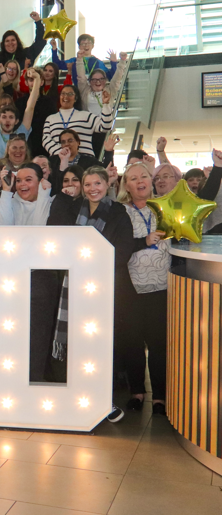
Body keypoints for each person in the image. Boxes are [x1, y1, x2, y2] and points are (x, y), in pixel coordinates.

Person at [47, 165, 134, 422]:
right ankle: (74, 396)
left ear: (108, 185)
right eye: (87, 185)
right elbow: (55, 228)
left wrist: (95, 267)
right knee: (72, 343)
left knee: (96, 345)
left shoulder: (119, 212)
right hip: (71, 286)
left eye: (97, 184)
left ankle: (100, 401)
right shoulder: (74, 207)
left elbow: (124, 250)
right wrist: (64, 196)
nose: (92, 189)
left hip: (101, 286)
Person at [117, 162, 169, 416]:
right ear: (126, 185)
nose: (140, 181)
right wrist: (144, 241)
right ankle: (137, 392)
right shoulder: (120, 212)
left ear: (151, 180)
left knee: (160, 344)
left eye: (144, 176)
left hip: (162, 288)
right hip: (130, 290)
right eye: (133, 178)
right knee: (132, 343)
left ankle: (160, 397)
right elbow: (119, 246)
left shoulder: (165, 208)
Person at [0, 69, 41, 161]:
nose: (7, 120)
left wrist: (37, 80)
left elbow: (30, 108)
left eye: (11, 117)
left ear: (16, 121)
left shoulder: (21, 133)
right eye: (4, 117)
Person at [0, 13, 46, 83]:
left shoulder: (27, 54)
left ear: (17, 42)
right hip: (0, 94)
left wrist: (38, 22)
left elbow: (40, 42)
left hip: (23, 93)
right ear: (3, 44)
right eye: (7, 41)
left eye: (13, 40)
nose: (10, 43)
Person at [41, 86, 114, 157]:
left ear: (75, 98)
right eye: (63, 94)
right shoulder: (50, 119)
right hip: (58, 162)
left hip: (84, 161)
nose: (66, 97)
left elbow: (105, 127)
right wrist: (61, 154)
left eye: (70, 94)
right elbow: (45, 140)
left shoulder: (86, 116)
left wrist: (106, 105)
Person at [76, 50, 128, 115]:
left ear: (105, 80)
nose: (98, 82)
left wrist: (122, 61)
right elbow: (81, 77)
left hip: (106, 124)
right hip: (88, 124)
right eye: (94, 79)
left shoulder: (110, 90)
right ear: (90, 81)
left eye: (101, 79)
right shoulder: (85, 90)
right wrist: (79, 59)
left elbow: (117, 78)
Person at [50, 34, 118, 79]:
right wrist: (54, 49)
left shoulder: (98, 62)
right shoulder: (74, 61)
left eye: (88, 43)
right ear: (79, 46)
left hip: (93, 93)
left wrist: (114, 62)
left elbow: (111, 76)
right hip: (78, 92)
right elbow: (57, 65)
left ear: (93, 46)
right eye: (83, 44)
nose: (86, 45)